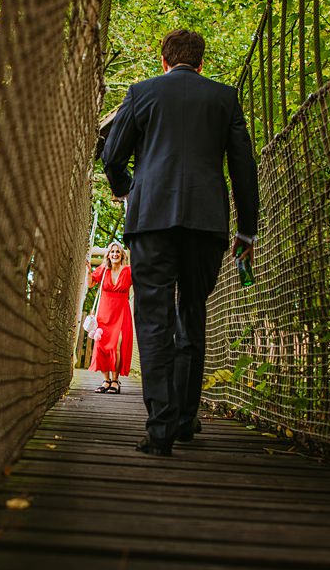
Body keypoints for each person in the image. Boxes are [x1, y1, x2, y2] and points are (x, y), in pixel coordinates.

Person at [99, 28, 258, 457]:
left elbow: (112, 157)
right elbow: (244, 167)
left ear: (163, 60)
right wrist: (247, 228)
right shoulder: (224, 99)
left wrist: (129, 189)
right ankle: (187, 417)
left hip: (151, 221)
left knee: (154, 318)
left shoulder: (142, 93)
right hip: (207, 225)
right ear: (201, 63)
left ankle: (161, 426)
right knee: (192, 311)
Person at [86, 241, 133, 394]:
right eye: (112, 252)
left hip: (121, 314)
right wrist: (88, 271)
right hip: (104, 314)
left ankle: (115, 380)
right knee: (101, 347)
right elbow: (90, 284)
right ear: (109, 255)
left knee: (116, 346)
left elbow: (142, 282)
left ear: (122, 255)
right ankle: (106, 381)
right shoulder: (103, 270)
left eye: (117, 252)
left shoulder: (129, 271)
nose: (115, 254)